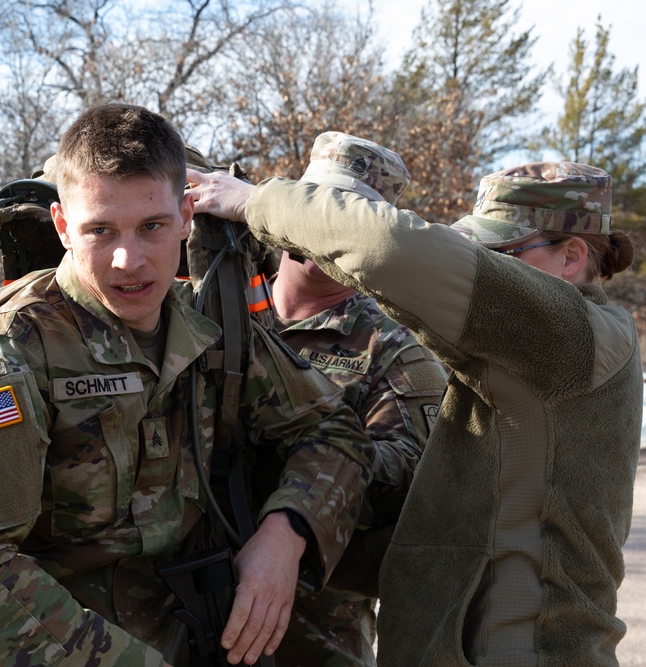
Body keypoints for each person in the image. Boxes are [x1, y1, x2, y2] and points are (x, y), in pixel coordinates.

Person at [0, 103, 376, 667]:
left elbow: (333, 431)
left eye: (152, 227)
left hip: (200, 634)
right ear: (62, 226)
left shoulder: (211, 330)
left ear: (184, 216)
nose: (129, 260)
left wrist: (287, 532)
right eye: (99, 231)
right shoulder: (8, 356)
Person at [187, 160, 641, 666]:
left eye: (497, 255)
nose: (481, 267)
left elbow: (388, 246)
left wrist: (254, 202)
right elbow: (436, 543)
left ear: (571, 257)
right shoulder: (519, 368)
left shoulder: (569, 335)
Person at [267, 132, 447, 667]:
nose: (326, 232)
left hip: (313, 634)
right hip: (180, 615)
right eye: (318, 208)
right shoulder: (217, 307)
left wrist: (292, 461)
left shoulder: (394, 346)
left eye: (347, 220)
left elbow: (412, 482)